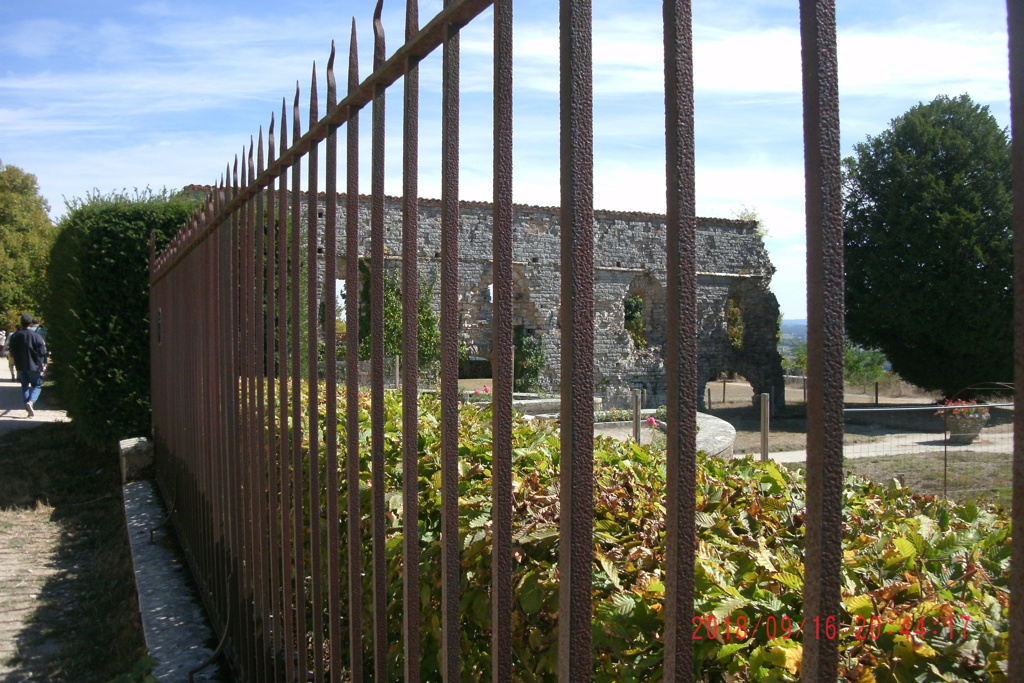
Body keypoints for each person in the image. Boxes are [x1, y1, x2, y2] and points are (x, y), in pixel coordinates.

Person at [7, 313, 48, 417]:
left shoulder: (15, 336)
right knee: (37, 385)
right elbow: (42, 351)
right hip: (34, 365)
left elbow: (12, 351)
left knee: (24, 386)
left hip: (20, 365)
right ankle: (31, 401)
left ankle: (27, 407)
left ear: (21, 322)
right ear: (30, 323)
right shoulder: (36, 336)